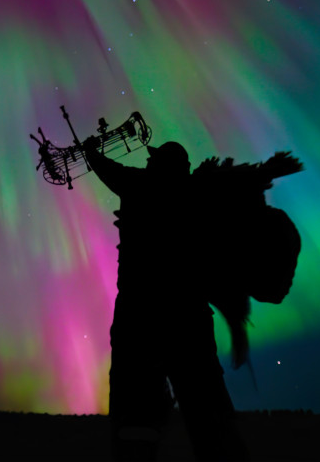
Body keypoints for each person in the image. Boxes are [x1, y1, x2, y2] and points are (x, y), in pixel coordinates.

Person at [82, 137, 249, 461]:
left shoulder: (138, 184)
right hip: (189, 321)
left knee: (135, 417)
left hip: (139, 319)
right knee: (209, 416)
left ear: (159, 164)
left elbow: (105, 168)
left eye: (153, 160)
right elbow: (219, 263)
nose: (147, 162)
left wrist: (90, 151)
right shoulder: (198, 196)